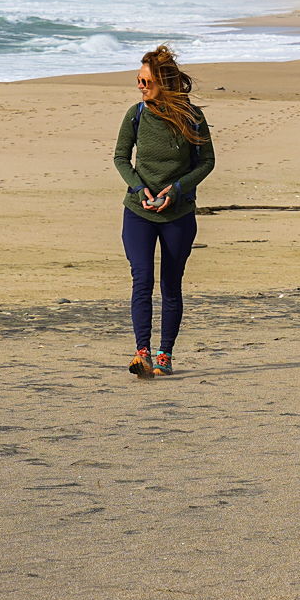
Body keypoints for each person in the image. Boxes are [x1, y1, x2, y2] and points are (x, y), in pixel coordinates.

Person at [112, 46, 215, 378]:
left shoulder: (192, 117)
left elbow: (207, 162)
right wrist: (139, 189)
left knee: (171, 285)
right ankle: (141, 353)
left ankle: (164, 356)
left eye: (147, 82)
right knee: (142, 279)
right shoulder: (135, 114)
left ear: (164, 82)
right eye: (138, 81)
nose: (141, 87)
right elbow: (120, 158)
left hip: (178, 214)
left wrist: (178, 189)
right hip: (138, 211)